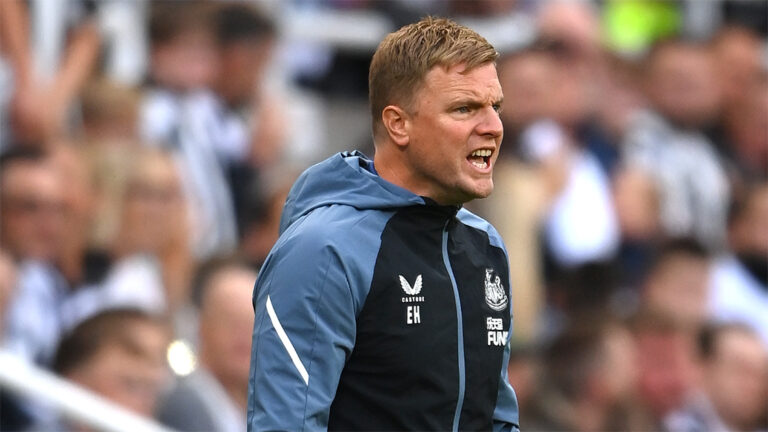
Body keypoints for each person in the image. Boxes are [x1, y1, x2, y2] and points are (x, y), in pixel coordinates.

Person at [247, 17, 519, 431]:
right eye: (464, 108)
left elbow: (495, 420)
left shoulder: (486, 247)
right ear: (398, 124)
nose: (493, 127)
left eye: (494, 107)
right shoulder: (324, 250)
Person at [157, 258, 258, 432]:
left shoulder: (251, 409)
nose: (243, 334)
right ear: (202, 326)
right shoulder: (184, 404)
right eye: (230, 320)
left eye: (252, 323)